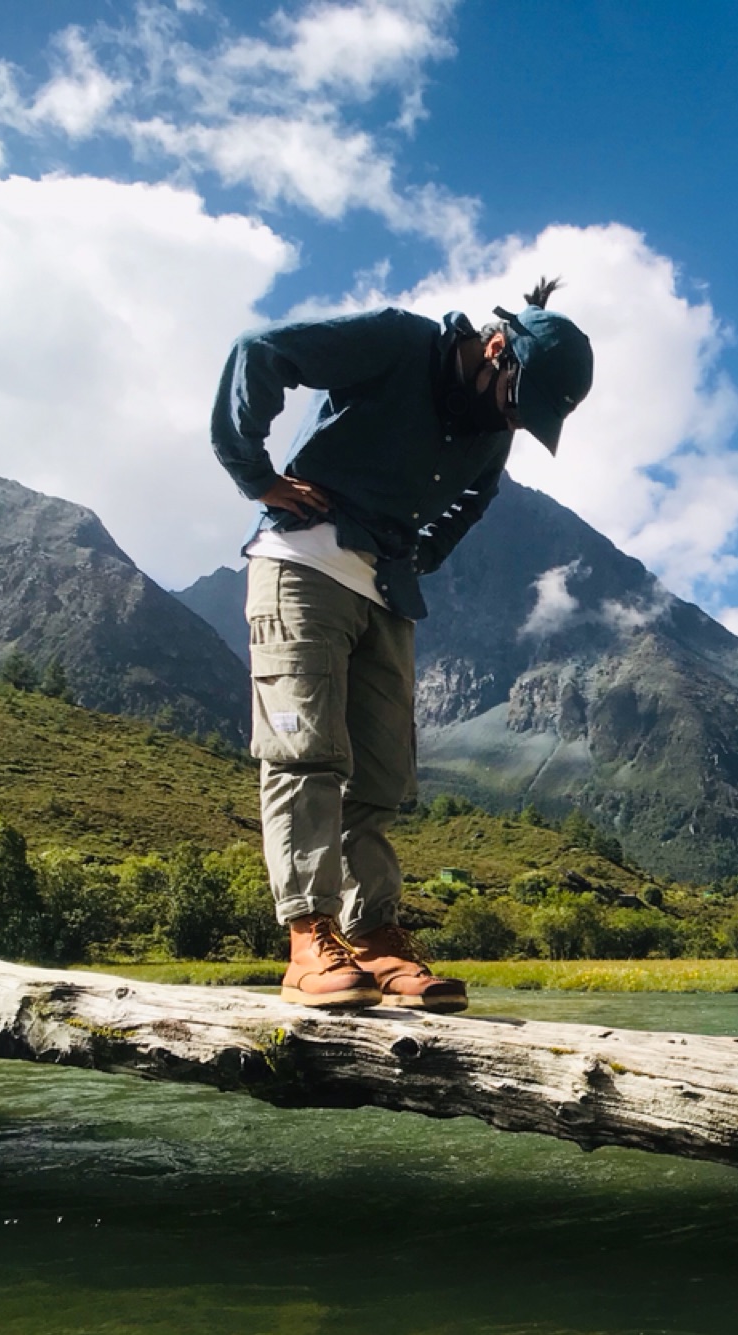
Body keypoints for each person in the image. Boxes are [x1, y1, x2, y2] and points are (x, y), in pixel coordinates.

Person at [209, 279, 594, 1010]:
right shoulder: (397, 340)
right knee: (307, 754)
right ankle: (308, 937)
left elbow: (475, 501)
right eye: (517, 400)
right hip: (301, 567)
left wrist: (421, 555)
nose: (513, 419)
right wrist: (256, 475)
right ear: (494, 348)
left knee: (380, 780)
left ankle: (376, 938)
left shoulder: (492, 434)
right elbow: (259, 352)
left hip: (385, 591)